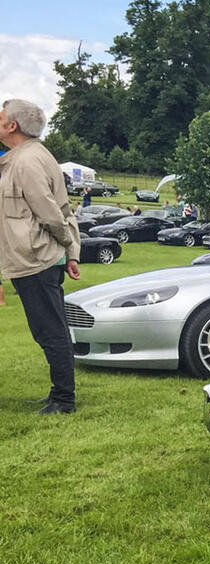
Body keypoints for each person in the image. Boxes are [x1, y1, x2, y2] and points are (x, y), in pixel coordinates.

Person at [0, 99, 82, 414]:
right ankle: (58, 394)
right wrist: (70, 252)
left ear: (12, 126)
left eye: (2, 115)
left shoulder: (27, 163)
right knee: (48, 329)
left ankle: (64, 399)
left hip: (36, 259)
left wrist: (67, 247)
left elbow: (53, 213)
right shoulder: (25, 158)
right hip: (35, 259)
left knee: (50, 330)